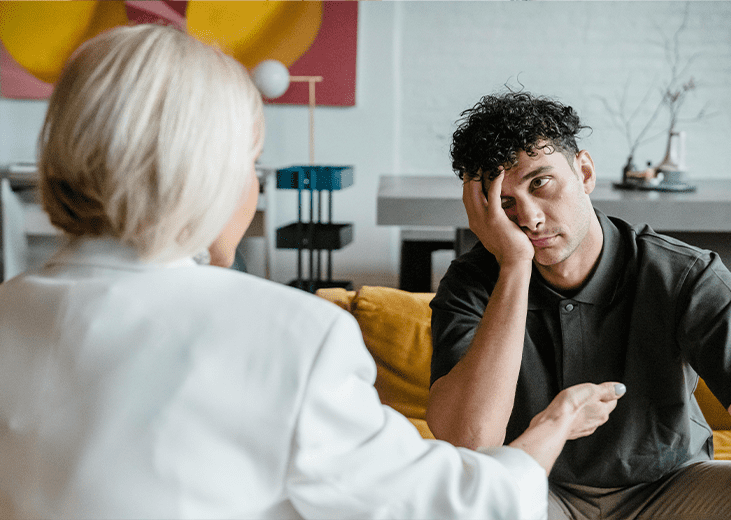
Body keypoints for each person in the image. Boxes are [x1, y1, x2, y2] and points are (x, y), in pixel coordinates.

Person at [0, 26, 624, 520]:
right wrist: (554, 426)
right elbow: (460, 507)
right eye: (252, 162)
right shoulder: (287, 334)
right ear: (205, 173)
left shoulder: (12, 307)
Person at [427, 90, 731, 519]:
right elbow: (470, 444)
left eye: (540, 183)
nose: (529, 219)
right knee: (452, 504)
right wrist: (515, 266)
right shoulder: (472, 283)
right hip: (540, 491)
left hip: (673, 487)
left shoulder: (685, 274)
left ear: (584, 172)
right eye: (504, 203)